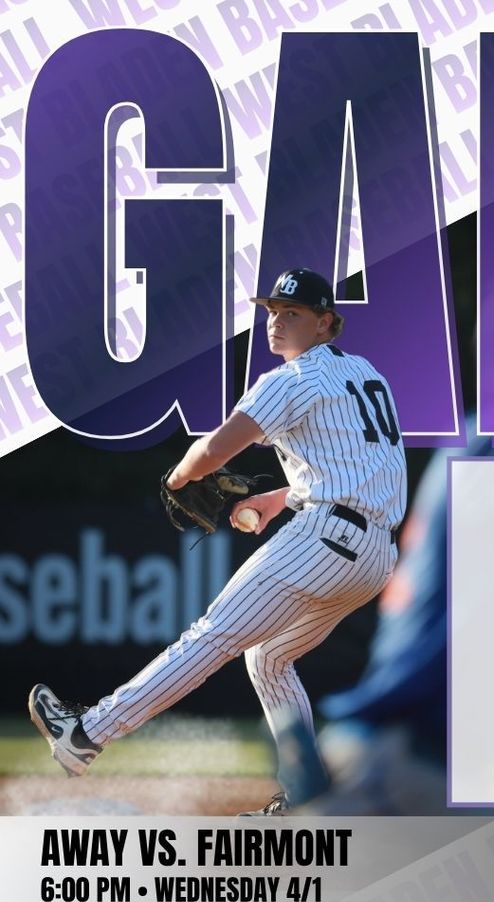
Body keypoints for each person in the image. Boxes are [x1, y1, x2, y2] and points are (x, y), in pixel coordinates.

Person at [27, 268, 407, 815]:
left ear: (325, 323)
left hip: (327, 540)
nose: (277, 321)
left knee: (209, 637)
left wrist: (179, 478)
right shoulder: (365, 374)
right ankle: (306, 790)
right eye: (272, 310)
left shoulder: (294, 380)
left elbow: (215, 450)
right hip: (372, 557)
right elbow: (361, 468)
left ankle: (85, 735)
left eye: (293, 313)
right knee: (268, 658)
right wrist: (280, 499)